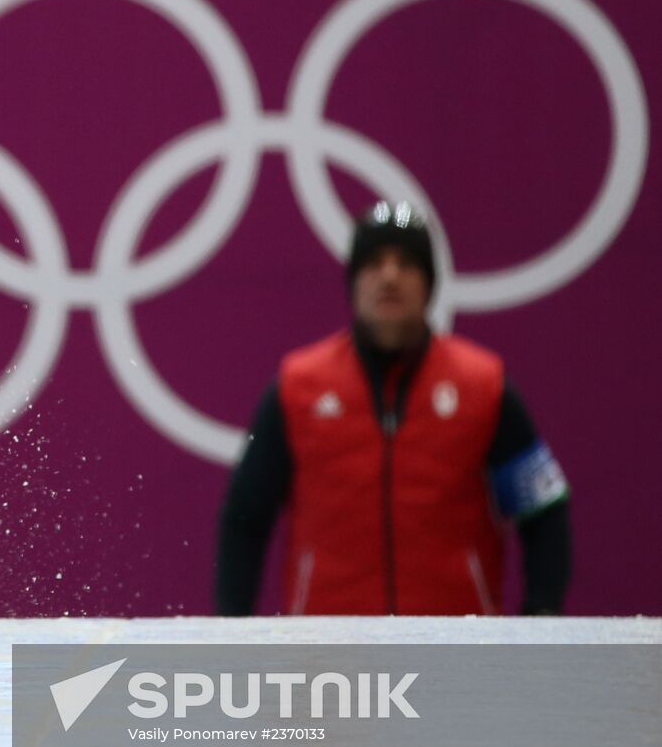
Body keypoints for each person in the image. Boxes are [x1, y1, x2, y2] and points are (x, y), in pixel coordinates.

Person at [216, 202, 571, 616]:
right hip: (327, 654)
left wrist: (540, 622)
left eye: (405, 263)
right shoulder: (298, 389)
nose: (389, 276)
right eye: (374, 263)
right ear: (353, 283)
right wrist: (234, 636)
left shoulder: (483, 387)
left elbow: (543, 509)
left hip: (458, 649)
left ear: (429, 284)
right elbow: (245, 517)